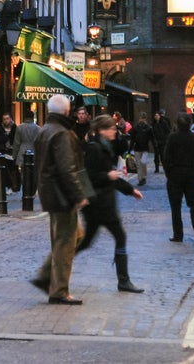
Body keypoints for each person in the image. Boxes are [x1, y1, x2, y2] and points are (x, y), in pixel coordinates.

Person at [29, 94, 92, 305]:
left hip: (50, 192)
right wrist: (79, 194)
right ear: (67, 111)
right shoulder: (62, 133)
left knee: (74, 236)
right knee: (66, 240)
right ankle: (59, 291)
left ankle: (46, 276)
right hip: (62, 195)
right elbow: (67, 168)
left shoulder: (44, 131)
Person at [77, 116, 144, 293]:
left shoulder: (105, 147)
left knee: (86, 242)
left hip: (99, 204)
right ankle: (123, 281)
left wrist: (130, 190)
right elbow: (90, 176)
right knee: (119, 236)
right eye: (111, 129)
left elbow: (112, 175)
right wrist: (108, 177)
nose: (114, 131)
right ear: (101, 130)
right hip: (99, 205)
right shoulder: (94, 148)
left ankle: (56, 265)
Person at [163, 113, 194, 242]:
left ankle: (178, 234)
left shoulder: (172, 138)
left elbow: (166, 158)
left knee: (175, 206)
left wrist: (168, 173)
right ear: (190, 124)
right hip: (192, 174)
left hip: (175, 175)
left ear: (177, 124)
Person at [11, 114, 40, 193]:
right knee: (34, 172)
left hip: (22, 150)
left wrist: (14, 156)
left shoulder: (19, 127)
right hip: (34, 151)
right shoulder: (38, 128)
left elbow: (16, 143)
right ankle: (32, 190)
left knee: (23, 172)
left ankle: (26, 189)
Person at [0, 113, 20, 192]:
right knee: (6, 169)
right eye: (4, 119)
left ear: (11, 119)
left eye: (7, 118)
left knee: (14, 169)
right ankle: (9, 185)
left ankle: (15, 186)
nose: (6, 120)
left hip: (13, 151)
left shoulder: (15, 128)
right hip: (4, 151)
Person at [130, 117, 153, 187]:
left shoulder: (148, 128)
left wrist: (155, 145)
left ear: (145, 119)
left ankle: (144, 177)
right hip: (137, 148)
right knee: (138, 165)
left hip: (145, 149)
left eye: (143, 118)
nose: (141, 120)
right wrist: (130, 149)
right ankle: (140, 179)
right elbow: (132, 139)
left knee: (143, 163)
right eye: (140, 118)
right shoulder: (136, 128)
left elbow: (152, 137)